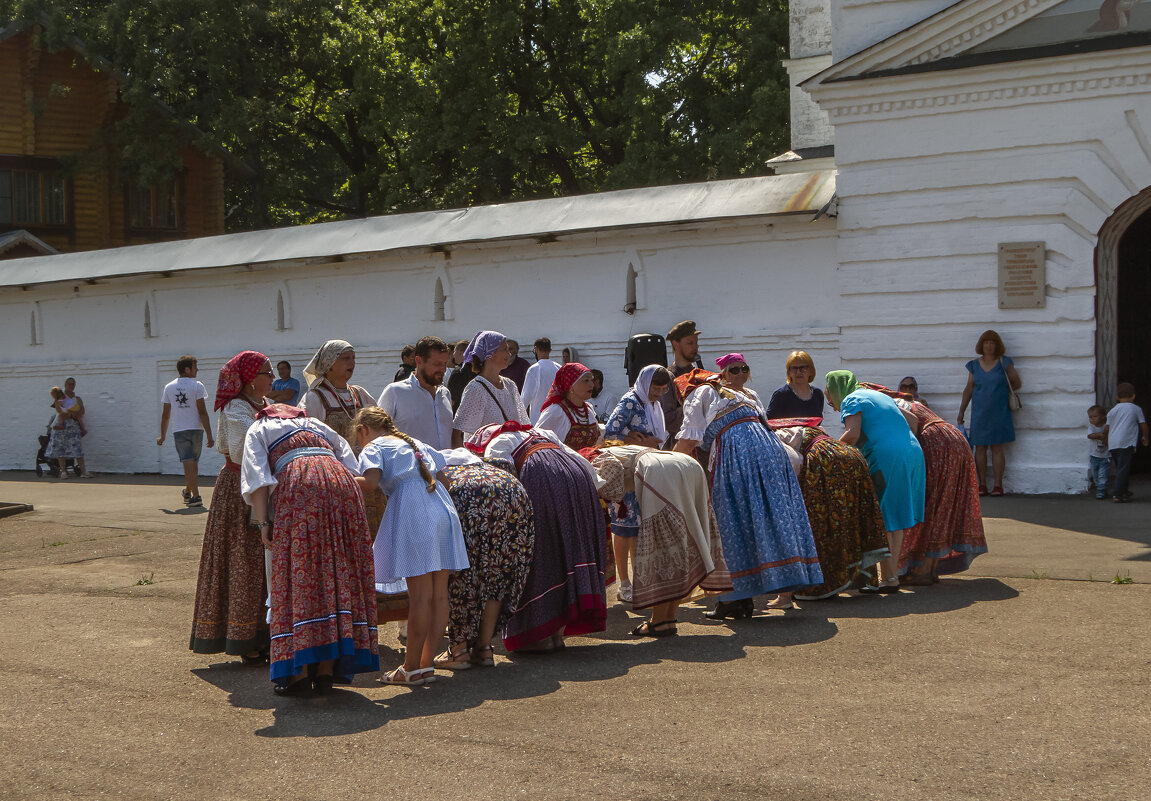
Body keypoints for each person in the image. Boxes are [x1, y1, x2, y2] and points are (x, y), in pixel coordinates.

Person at [241, 404, 379, 696]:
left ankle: (300, 673)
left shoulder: (260, 428)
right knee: (337, 571)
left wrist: (265, 521)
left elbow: (258, 477)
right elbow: (350, 463)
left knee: (299, 574)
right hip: (341, 484)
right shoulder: (316, 424)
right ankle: (327, 670)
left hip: (301, 487)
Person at [674, 353, 822, 619]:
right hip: (772, 453)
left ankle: (735, 599)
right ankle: (749, 595)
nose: (740, 374)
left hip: (739, 455)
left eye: (744, 369)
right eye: (734, 370)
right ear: (722, 373)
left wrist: (671, 470)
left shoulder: (701, 393)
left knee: (731, 521)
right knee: (766, 519)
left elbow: (688, 439)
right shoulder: (748, 396)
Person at [467, 422, 607, 653]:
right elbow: (579, 460)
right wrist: (594, 486)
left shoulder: (498, 443)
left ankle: (539, 635)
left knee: (542, 554)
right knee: (566, 554)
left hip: (542, 482)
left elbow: (502, 481)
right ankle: (557, 634)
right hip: (577, 479)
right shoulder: (544, 433)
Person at [354, 407, 469, 686]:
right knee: (438, 595)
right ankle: (425, 665)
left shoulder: (374, 446)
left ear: (363, 431)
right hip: (442, 509)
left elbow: (368, 483)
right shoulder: (415, 443)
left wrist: (335, 476)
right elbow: (445, 479)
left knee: (419, 597)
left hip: (415, 512)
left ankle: (410, 667)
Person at [588, 444, 729, 635]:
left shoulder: (595, 458)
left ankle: (659, 621)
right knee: (683, 542)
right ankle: (668, 617)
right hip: (687, 464)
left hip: (660, 471)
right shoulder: (618, 449)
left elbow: (609, 487)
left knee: (664, 548)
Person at [189, 351, 273, 662]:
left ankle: (264, 633)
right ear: (251, 379)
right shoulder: (235, 408)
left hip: (263, 487)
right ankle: (242, 637)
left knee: (263, 561)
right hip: (239, 491)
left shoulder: (263, 407)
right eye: (267, 373)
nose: (273, 378)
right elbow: (241, 453)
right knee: (242, 560)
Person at [825, 370, 926, 593]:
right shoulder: (877, 395)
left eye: (829, 396)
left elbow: (852, 434)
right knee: (896, 517)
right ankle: (891, 577)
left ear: (836, 389)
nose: (831, 404)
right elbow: (913, 420)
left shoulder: (851, 399)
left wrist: (828, 453)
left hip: (887, 458)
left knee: (886, 517)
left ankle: (889, 579)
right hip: (912, 453)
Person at [433, 453, 535, 670]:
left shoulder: (442, 468)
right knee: (497, 574)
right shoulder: (488, 464)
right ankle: (484, 647)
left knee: (461, 574)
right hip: (511, 489)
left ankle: (459, 651)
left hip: (468, 493)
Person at [770, 419, 889, 602]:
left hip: (824, 460)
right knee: (849, 519)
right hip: (850, 454)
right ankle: (847, 577)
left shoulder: (770, 436)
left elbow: (794, 461)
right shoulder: (800, 427)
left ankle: (822, 584)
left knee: (821, 524)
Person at [890, 394, 987, 584]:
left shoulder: (886, 403)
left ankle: (923, 571)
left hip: (935, 442)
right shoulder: (910, 402)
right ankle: (930, 568)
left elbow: (912, 424)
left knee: (929, 504)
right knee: (944, 504)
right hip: (954, 438)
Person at [603, 365, 673, 602]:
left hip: (644, 472)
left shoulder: (651, 405)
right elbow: (610, 433)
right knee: (624, 529)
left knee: (638, 530)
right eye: (655, 388)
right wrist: (632, 439)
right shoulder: (630, 402)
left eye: (664, 390)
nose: (659, 393)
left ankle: (638, 580)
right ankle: (624, 584)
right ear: (645, 383)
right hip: (627, 475)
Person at [957, 329, 1021, 496]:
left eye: (992, 343)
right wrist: (961, 411)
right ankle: (982, 484)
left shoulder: (1004, 362)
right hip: (980, 413)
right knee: (980, 448)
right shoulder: (974, 365)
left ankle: (998, 485)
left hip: (999, 412)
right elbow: (969, 389)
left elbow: (1016, 382)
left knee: (997, 448)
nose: (989, 346)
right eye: (986, 342)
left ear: (997, 345)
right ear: (981, 345)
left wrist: (1000, 392)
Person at [452, 330, 530, 447]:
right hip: (488, 461)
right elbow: (457, 433)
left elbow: (523, 426)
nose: (509, 354)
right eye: (505, 349)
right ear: (490, 354)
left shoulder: (510, 385)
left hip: (512, 457)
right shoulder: (476, 389)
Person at [156, 355, 215, 507]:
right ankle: (194, 495)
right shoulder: (197, 386)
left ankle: (191, 493)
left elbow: (165, 414)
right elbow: (202, 411)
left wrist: (162, 435)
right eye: (195, 367)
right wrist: (209, 434)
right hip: (197, 430)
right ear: (187, 369)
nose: (197, 370)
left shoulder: (169, 387)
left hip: (180, 430)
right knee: (192, 463)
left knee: (189, 463)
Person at [378, 336, 454, 450]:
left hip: (446, 466)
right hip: (410, 466)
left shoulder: (445, 393)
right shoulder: (395, 392)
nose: (443, 369)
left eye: (445, 363)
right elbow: (377, 435)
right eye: (437, 364)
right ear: (419, 361)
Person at [535, 362, 602, 449]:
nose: (591, 385)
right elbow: (537, 442)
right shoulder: (556, 411)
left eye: (592, 380)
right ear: (571, 386)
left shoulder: (588, 410)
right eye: (586, 381)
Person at [660, 320, 704, 447]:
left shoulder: (699, 374)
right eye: (690, 343)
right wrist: (696, 410)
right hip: (681, 444)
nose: (695, 347)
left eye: (696, 343)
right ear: (676, 344)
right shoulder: (669, 377)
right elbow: (668, 418)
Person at [1106, 383, 1148, 503]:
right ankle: (1118, 494)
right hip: (1126, 443)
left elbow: (1107, 428)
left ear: (1117, 397)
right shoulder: (1135, 409)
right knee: (1123, 469)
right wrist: (1145, 437)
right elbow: (1143, 424)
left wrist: (1105, 440)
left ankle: (1124, 491)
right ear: (1133, 396)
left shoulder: (1112, 411)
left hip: (1113, 443)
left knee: (1121, 467)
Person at [45, 377, 93, 478]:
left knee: (77, 448)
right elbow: (59, 410)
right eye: (69, 384)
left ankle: (84, 472)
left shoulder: (77, 398)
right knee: (60, 448)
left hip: (73, 426)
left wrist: (73, 414)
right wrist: (71, 414)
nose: (71, 386)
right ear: (65, 384)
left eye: (73, 384)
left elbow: (82, 411)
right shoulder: (60, 397)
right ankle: (63, 472)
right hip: (61, 427)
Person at [766, 350, 825, 420]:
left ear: (811, 371)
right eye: (794, 368)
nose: (798, 372)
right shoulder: (781, 395)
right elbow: (770, 422)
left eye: (803, 368)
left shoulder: (817, 394)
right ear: (789, 372)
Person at [521, 337, 560, 423]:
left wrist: (518, 417)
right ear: (550, 350)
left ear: (536, 349)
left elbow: (526, 397)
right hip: (557, 417)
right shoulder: (559, 368)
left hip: (538, 418)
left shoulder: (534, 369)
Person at [1087, 405, 1110, 499]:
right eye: (1090, 417)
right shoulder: (1092, 427)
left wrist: (1104, 434)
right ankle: (1099, 487)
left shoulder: (1106, 427)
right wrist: (1099, 435)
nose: (1092, 419)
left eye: (1095, 416)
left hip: (1105, 456)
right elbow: (1090, 436)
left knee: (1102, 475)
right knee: (1095, 474)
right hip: (1094, 456)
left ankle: (1101, 491)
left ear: (1102, 416)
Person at [446, 340, 474, 410]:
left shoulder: (458, 372)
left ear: (460, 352)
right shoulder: (478, 370)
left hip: (459, 413)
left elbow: (451, 400)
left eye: (454, 351)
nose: (453, 355)